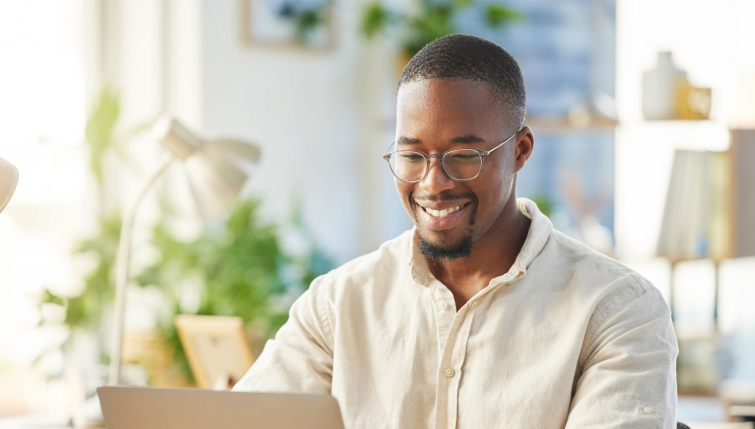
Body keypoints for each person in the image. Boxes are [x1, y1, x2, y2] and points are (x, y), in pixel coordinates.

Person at [234, 34, 677, 428]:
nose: (432, 183)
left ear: (520, 151)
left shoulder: (618, 312)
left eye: (464, 154)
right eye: (412, 156)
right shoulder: (338, 305)